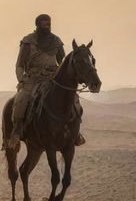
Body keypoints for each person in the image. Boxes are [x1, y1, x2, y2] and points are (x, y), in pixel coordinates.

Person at [8, 14, 84, 147]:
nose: (47, 25)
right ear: (37, 25)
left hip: (52, 78)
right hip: (33, 77)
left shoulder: (56, 41)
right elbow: (20, 64)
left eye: (49, 23)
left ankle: (75, 132)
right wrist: (21, 80)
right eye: (44, 23)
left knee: (74, 99)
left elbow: (63, 62)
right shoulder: (28, 41)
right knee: (22, 98)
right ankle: (17, 130)